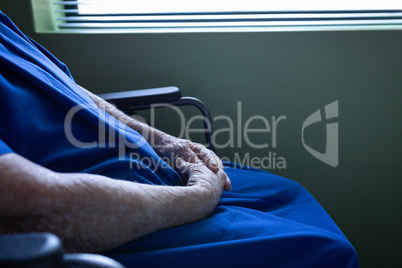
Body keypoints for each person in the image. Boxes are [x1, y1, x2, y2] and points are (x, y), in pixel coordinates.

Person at [0, 11, 359, 268]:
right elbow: (30, 207)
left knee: (288, 192)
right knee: (327, 252)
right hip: (109, 217)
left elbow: (71, 90)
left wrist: (162, 141)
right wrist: (196, 199)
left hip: (154, 175)